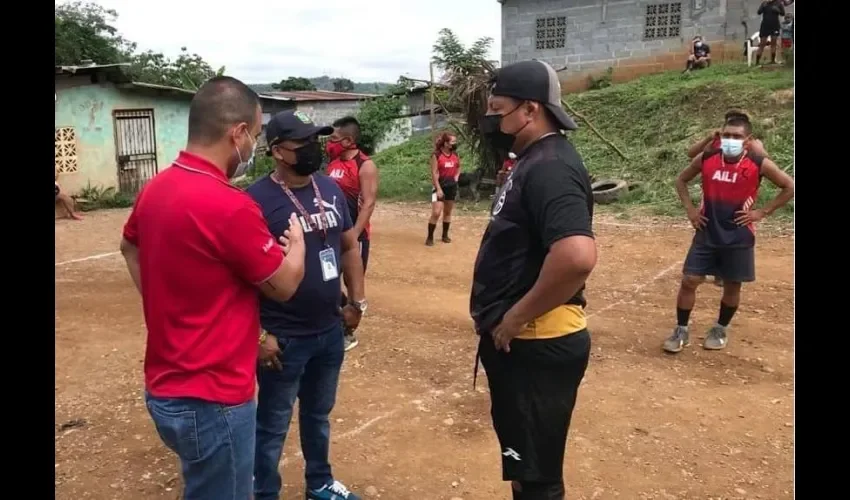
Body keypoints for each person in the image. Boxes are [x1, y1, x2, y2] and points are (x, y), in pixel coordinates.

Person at [119, 77, 306, 500]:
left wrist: (164, 308)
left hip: (166, 388)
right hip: (215, 398)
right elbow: (283, 285)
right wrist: (296, 246)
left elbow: (129, 245)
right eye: (256, 136)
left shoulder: (155, 188)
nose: (253, 147)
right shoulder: (229, 204)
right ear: (237, 133)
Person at [471, 59, 597, 500]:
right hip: (524, 347)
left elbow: (577, 255)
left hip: (534, 344)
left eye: (496, 107)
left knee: (538, 478)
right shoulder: (532, 158)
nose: (491, 117)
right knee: (525, 466)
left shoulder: (550, 166)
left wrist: (514, 318)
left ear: (529, 110)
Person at [247, 110, 367, 500]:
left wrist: (357, 303)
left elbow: (348, 246)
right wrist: (260, 335)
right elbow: (241, 280)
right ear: (278, 151)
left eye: (316, 141)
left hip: (330, 331)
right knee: (272, 424)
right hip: (283, 338)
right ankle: (265, 493)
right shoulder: (255, 201)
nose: (314, 150)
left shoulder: (329, 190)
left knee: (318, 416)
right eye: (304, 145)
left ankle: (319, 483)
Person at [663, 112, 794, 353]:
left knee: (732, 286)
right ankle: (681, 329)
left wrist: (762, 212)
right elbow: (681, 180)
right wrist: (691, 210)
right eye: (726, 135)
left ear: (747, 140)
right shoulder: (709, 156)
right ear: (720, 136)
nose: (730, 140)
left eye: (736, 136)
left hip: (738, 235)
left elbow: (789, 186)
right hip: (706, 231)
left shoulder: (758, 162)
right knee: (689, 280)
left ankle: (720, 327)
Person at [326, 116, 379, 351]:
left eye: (334, 139)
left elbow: (368, 203)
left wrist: (354, 234)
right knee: (326, 281)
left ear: (348, 141)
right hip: (329, 237)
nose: (329, 142)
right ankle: (333, 324)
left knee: (352, 283)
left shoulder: (365, 165)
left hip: (354, 238)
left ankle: (347, 333)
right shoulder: (332, 163)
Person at [426, 132, 461, 246]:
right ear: (446, 143)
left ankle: (444, 235)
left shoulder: (455, 154)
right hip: (439, 186)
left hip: (451, 186)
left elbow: (458, 167)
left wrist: (456, 177)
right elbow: (434, 173)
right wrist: (438, 189)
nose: (455, 144)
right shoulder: (436, 155)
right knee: (436, 212)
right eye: (452, 142)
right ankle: (430, 237)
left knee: (447, 212)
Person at [756, 0, 786, 65]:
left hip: (774, 25)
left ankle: (772, 61)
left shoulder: (779, 3)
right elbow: (758, 12)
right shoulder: (764, 3)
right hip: (765, 25)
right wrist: (763, 7)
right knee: (762, 43)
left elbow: (783, 13)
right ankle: (757, 61)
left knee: (773, 43)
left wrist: (777, 10)